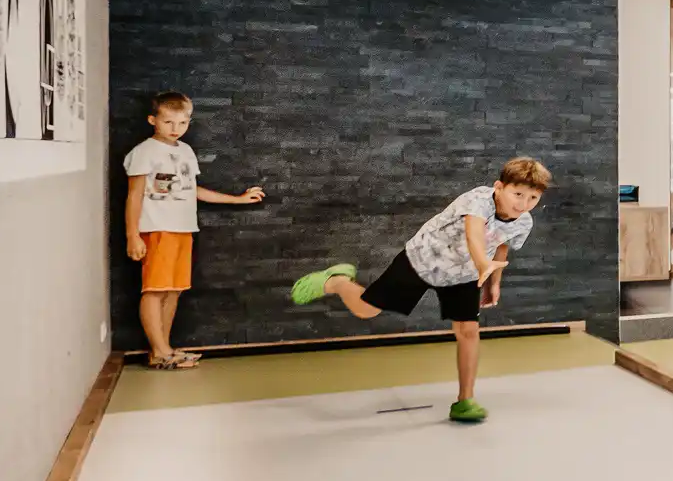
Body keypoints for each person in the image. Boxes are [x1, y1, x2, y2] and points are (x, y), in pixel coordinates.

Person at [288, 157, 552, 423]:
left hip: (464, 274)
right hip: (423, 259)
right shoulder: (478, 200)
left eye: (533, 198)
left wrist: (494, 281)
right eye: (518, 194)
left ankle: (465, 401)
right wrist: (483, 262)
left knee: (469, 332)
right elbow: (474, 234)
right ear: (499, 187)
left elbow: (502, 245)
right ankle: (337, 280)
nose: (523, 203)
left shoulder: (524, 222)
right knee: (366, 310)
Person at [120, 91, 265, 370]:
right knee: (154, 290)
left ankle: (163, 349)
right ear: (152, 120)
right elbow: (134, 196)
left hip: (183, 229)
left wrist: (237, 199)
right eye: (168, 122)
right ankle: (160, 351)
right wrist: (132, 235)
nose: (176, 129)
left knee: (173, 290)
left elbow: (192, 190)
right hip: (158, 229)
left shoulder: (185, 151)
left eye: (182, 123)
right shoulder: (144, 152)